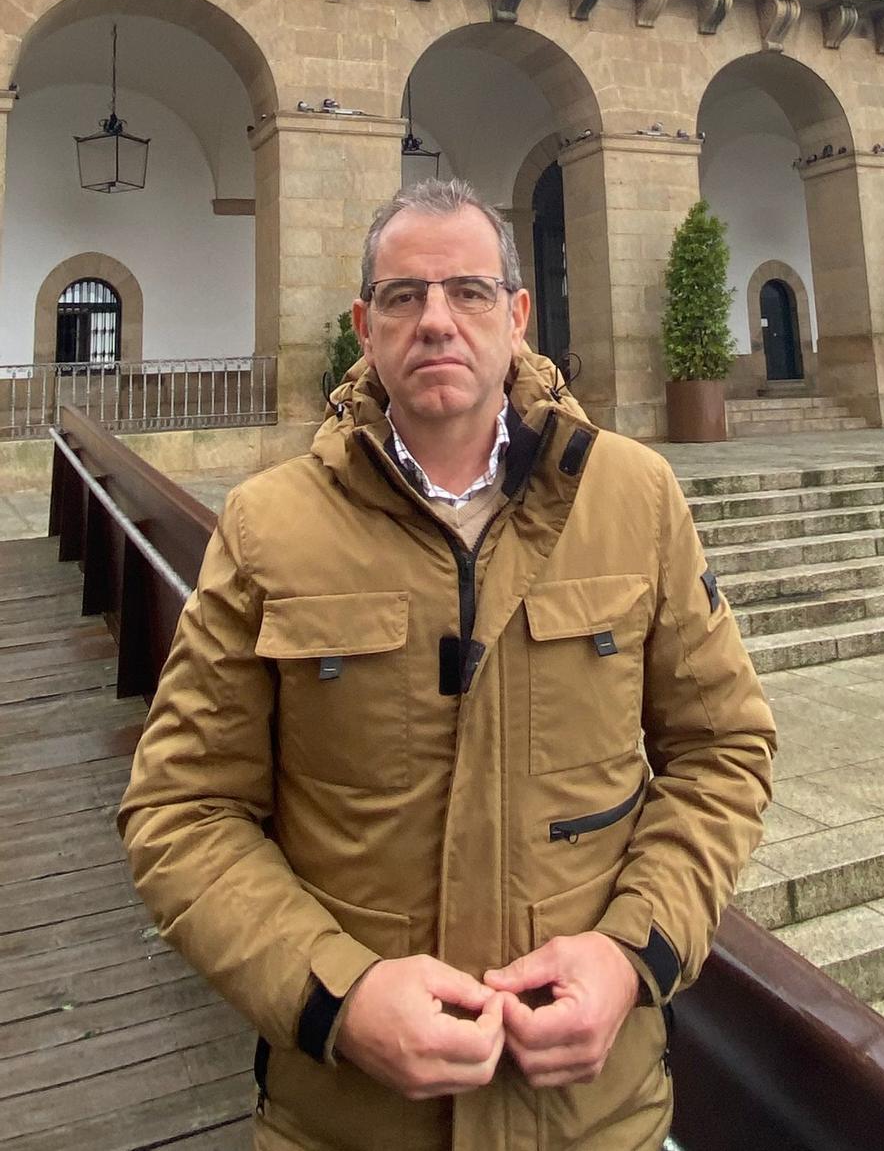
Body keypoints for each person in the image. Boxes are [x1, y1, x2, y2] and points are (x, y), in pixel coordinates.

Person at [119, 178, 776, 1151]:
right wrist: (338, 997)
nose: (436, 321)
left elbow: (723, 749)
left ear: (516, 316)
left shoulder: (633, 499)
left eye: (468, 292)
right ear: (365, 326)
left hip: (593, 1118)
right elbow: (182, 811)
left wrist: (632, 953)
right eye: (402, 297)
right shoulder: (271, 526)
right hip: (348, 1122)